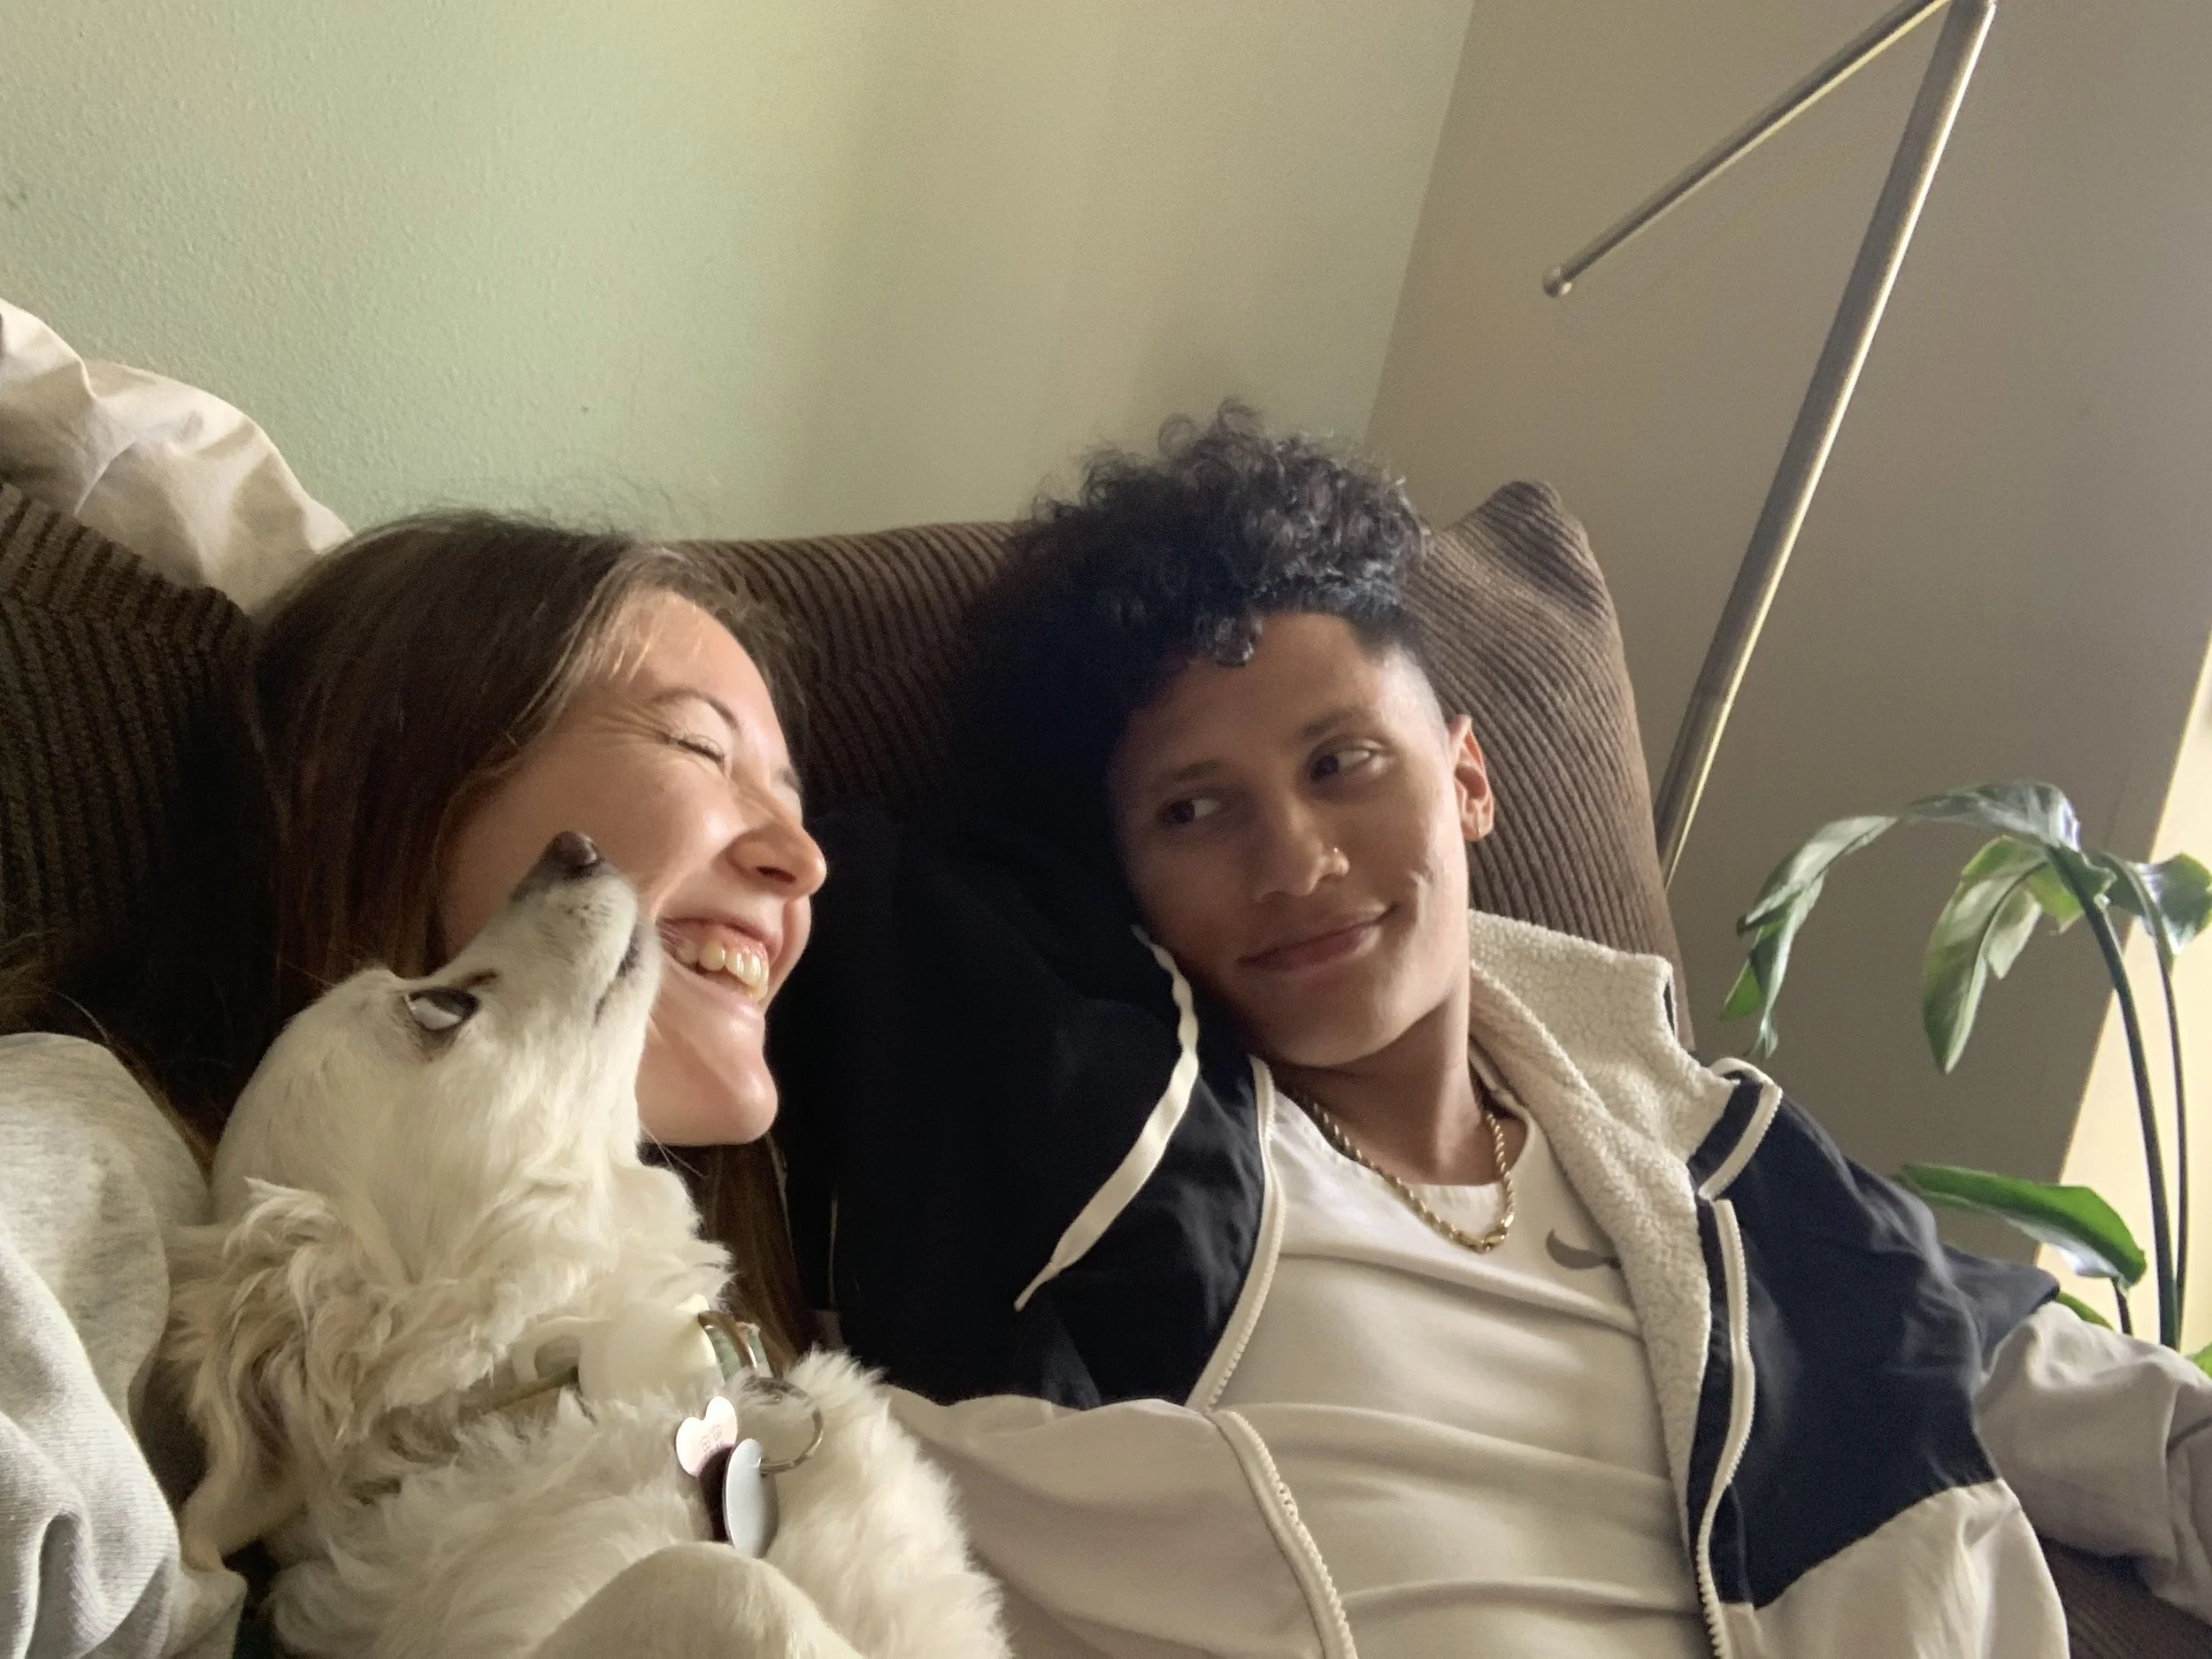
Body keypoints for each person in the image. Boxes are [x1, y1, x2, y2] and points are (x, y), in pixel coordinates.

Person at [774, 407, 2212, 1658]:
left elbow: (2064, 1391)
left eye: (1343, 762)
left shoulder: (1709, 1159)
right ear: (1124, 878)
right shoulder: (1146, 1174)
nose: (1297, 863)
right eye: (1193, 810)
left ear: (1468, 779)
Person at [0, 511, 830, 1659]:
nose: (806, 857)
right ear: (393, 783)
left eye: (793, 796)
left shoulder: (734, 1341)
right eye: (698, 747)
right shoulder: (91, 1153)